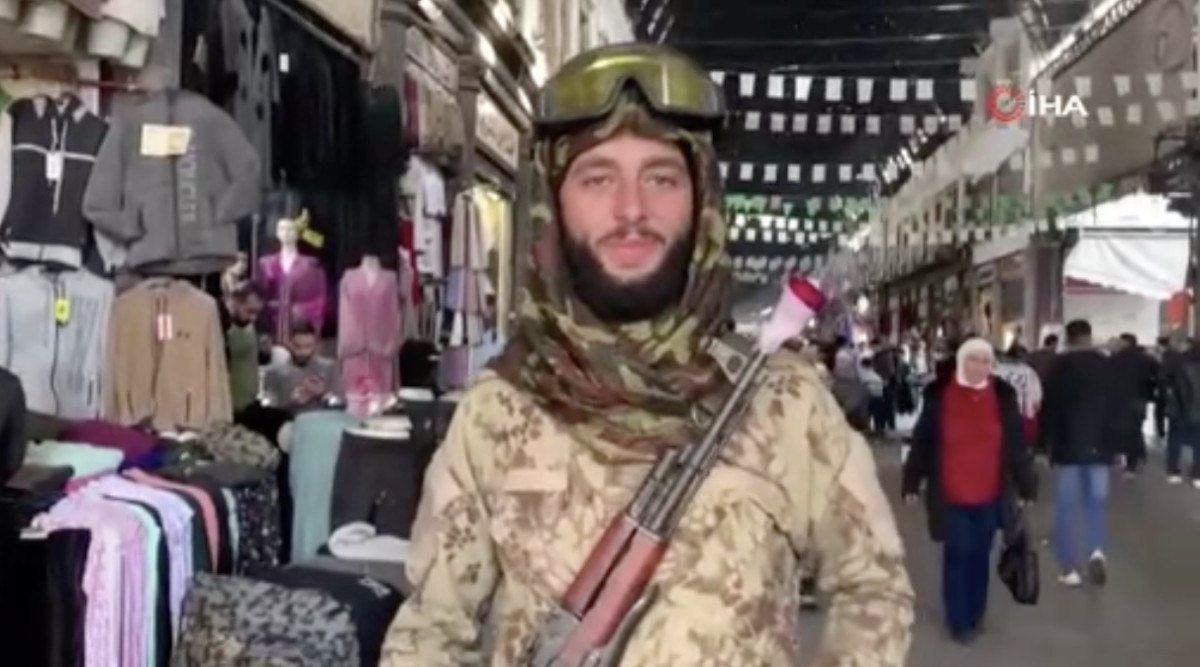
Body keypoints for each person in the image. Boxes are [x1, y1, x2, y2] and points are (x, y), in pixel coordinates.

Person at [381, 43, 913, 666]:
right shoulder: (495, 412)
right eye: (597, 179)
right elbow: (428, 636)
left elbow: (874, 590)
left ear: (702, 199)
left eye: (661, 178)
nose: (631, 210)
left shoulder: (788, 403)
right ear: (553, 203)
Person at [902, 338, 1036, 644]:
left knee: (980, 555)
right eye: (973, 360)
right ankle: (958, 619)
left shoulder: (1002, 395)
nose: (979, 367)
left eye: (985, 361)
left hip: (990, 493)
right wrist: (912, 480)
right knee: (958, 553)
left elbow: (1015, 444)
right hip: (951, 493)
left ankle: (976, 611)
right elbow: (923, 440)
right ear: (962, 361)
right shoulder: (940, 395)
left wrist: (1027, 484)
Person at [1040, 319, 1116, 587]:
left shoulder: (1060, 367)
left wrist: (1045, 445)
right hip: (1100, 447)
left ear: (1068, 338)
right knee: (1095, 504)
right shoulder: (1106, 365)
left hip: (1068, 447)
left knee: (1066, 507)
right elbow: (1116, 407)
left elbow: (1049, 409)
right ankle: (1096, 551)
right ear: (1089, 336)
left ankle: (1069, 568)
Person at [263, 319, 340, 414]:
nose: (303, 352)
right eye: (297, 346)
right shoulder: (274, 373)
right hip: (290, 421)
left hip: (322, 421)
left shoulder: (329, 368)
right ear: (289, 343)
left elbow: (341, 404)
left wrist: (324, 395)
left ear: (316, 344)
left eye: (308, 346)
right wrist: (291, 400)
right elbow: (266, 409)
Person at [1108, 333, 1157, 475]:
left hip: (1120, 400)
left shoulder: (1114, 359)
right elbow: (1155, 377)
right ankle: (1135, 459)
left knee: (1122, 430)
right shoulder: (1146, 359)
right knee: (1136, 429)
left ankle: (1123, 459)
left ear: (1125, 343)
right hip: (1140, 398)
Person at [1161, 335, 1200, 488]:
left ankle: (1173, 471)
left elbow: (1164, 382)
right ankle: (1197, 474)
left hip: (1178, 409)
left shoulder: (1176, 360)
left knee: (1174, 440)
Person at [994, 343, 1044, 449]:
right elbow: (1036, 401)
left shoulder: (994, 371)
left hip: (997, 418)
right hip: (1022, 419)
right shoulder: (1029, 372)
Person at [861, 357, 888, 434]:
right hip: (879, 396)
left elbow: (862, 385)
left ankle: (867, 429)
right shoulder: (876, 375)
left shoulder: (863, 374)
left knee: (867, 413)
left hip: (869, 396)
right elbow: (883, 385)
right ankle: (879, 429)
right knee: (878, 415)